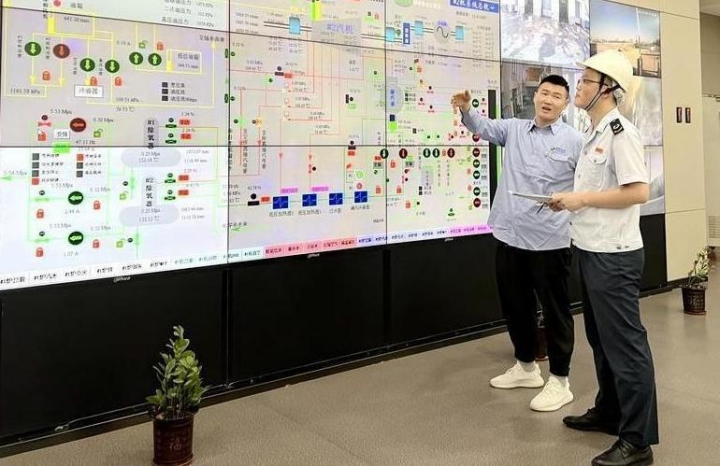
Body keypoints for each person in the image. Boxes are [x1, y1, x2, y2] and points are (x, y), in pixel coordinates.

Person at [548, 50, 658, 466]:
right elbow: (597, 191)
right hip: (591, 249)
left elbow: (638, 191)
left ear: (607, 89)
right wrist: (572, 200)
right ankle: (610, 411)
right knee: (601, 340)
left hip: (614, 256)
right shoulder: (594, 134)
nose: (578, 87)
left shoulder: (620, 133)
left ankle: (637, 441)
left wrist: (581, 199)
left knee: (626, 346)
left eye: (586, 81)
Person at [451, 76, 583, 412]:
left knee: (555, 311)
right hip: (510, 235)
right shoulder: (514, 129)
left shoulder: (574, 141)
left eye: (556, 96)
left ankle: (560, 380)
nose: (548, 100)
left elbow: (586, 186)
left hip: (550, 240)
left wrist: (571, 200)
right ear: (535, 97)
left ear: (565, 104)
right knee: (515, 306)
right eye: (544, 93)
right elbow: (482, 126)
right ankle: (526, 367)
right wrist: (466, 108)